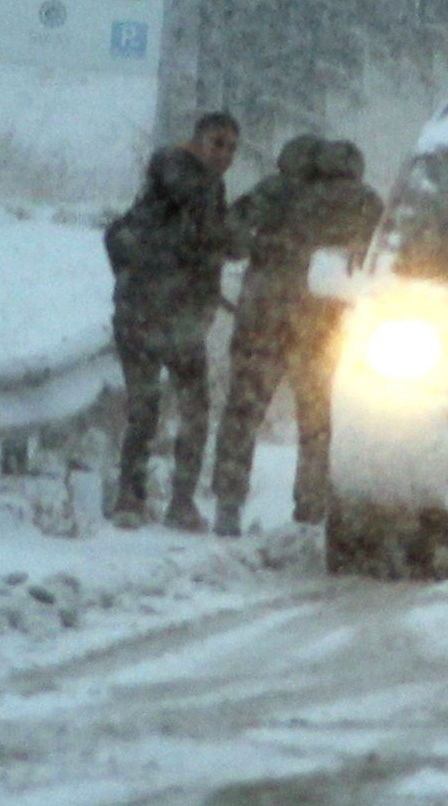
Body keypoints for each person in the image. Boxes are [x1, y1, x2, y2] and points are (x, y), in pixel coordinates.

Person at [210, 134, 385, 531]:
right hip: (325, 327)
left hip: (262, 317)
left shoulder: (275, 190)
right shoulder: (365, 201)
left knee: (243, 410)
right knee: (319, 419)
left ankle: (228, 503)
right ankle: (311, 508)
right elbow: (386, 258)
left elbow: (229, 236)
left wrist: (262, 249)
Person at [103, 112, 241, 527]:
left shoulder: (162, 183)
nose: (225, 155)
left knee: (145, 409)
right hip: (171, 318)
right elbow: (215, 241)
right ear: (197, 142)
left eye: (232, 148)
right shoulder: (195, 184)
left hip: (140, 314)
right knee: (192, 409)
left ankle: (131, 499)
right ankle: (178, 503)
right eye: (218, 144)